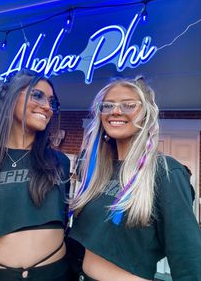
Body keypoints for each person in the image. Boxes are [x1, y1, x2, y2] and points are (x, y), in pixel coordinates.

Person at [68, 77, 201, 281]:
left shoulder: (165, 172)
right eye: (108, 105)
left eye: (129, 105)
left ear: (146, 114)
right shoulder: (98, 173)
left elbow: (189, 262)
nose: (116, 111)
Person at [0, 69, 72, 281]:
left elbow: (64, 220)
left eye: (52, 102)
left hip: (55, 275)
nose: (47, 107)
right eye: (37, 95)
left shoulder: (59, 162)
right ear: (11, 97)